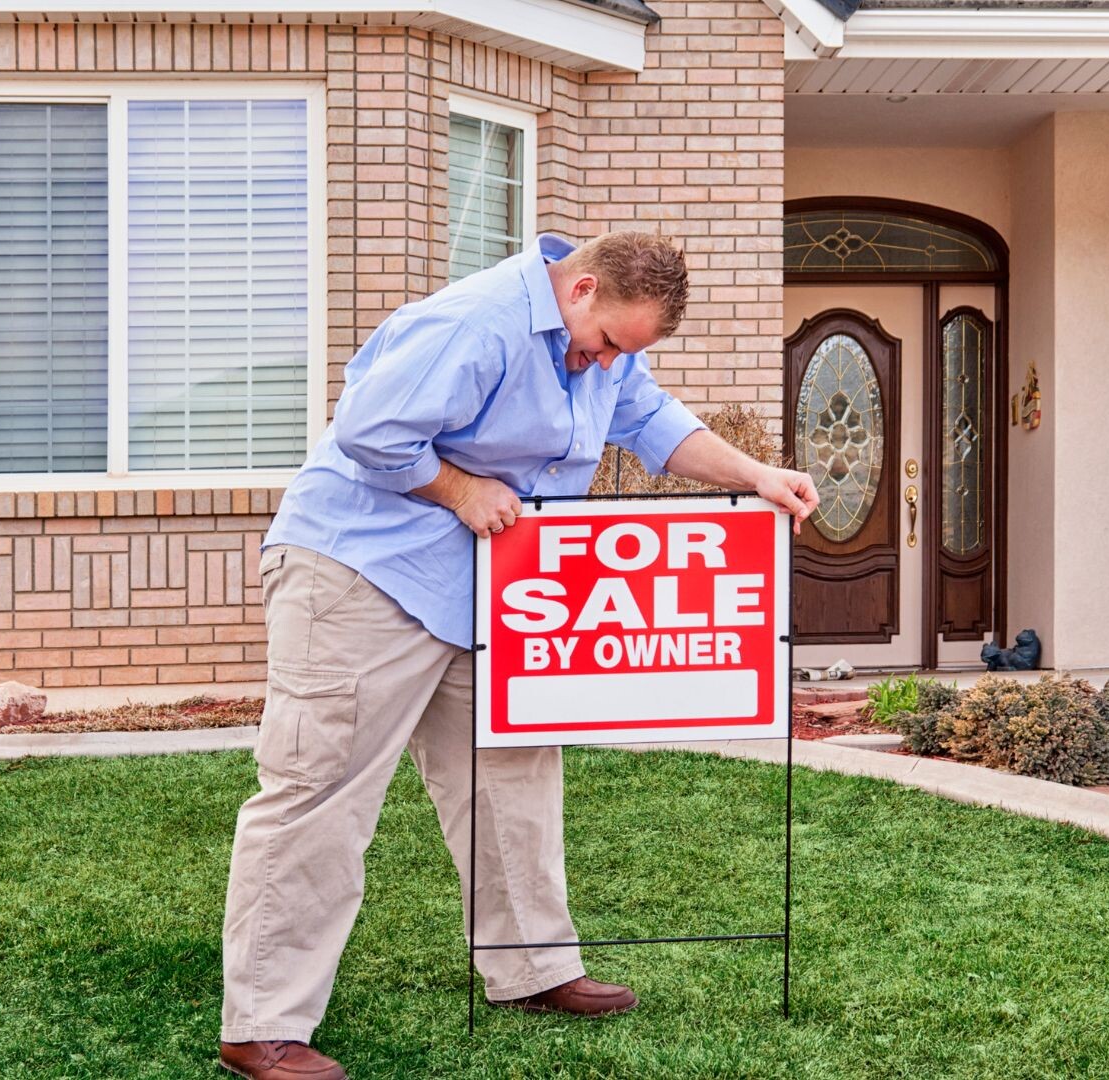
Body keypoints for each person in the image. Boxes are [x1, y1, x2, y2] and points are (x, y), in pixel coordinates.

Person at [218, 231, 819, 1080]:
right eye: (608, 343)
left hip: (475, 586)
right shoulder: (478, 322)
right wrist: (460, 489)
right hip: (358, 571)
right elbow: (369, 431)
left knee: (512, 770)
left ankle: (532, 967)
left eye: (626, 354)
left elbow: (649, 421)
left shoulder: (605, 349)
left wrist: (757, 473)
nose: (607, 363)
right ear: (579, 292)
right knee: (320, 789)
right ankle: (261, 1024)